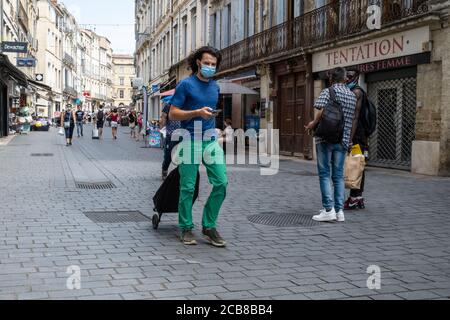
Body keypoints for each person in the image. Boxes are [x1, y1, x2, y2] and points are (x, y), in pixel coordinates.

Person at [169, 46, 228, 247]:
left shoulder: (215, 87)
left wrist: (214, 123)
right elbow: (173, 114)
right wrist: (196, 113)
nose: (210, 67)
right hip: (189, 139)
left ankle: (208, 226)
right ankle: (186, 227)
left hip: (210, 140)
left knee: (221, 182)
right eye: (207, 63)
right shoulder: (185, 85)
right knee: (188, 187)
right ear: (198, 62)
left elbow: (208, 111)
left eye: (214, 64)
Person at [305, 67, 357, 223]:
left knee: (324, 173)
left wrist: (312, 124)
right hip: (342, 139)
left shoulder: (328, 92)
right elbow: (351, 118)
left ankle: (328, 209)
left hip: (325, 138)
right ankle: (339, 211)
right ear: (345, 79)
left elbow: (321, 111)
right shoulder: (352, 95)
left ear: (331, 79)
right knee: (338, 175)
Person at [344, 69, 368, 210]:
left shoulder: (357, 92)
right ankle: (357, 197)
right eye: (346, 75)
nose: (347, 78)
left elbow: (355, 117)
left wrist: (350, 139)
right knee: (357, 164)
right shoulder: (353, 92)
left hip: (357, 137)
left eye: (350, 76)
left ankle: (355, 198)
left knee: (356, 164)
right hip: (358, 135)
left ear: (357, 77)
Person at [160, 98, 182, 180]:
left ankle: (180, 173)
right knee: (169, 155)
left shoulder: (186, 105)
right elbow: (164, 117)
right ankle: (164, 170)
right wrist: (162, 128)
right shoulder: (169, 105)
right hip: (172, 134)